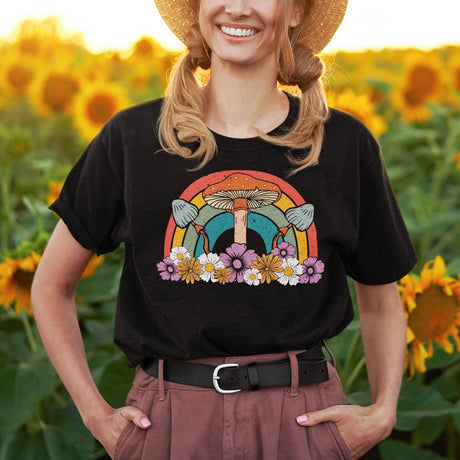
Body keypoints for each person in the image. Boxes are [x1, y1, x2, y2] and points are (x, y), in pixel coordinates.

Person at [31, 0, 418, 459]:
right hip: (170, 423)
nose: (237, 8)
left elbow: (380, 301)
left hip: (305, 424)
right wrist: (96, 416)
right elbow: (51, 288)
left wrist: (382, 411)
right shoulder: (131, 139)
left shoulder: (343, 144)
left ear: (295, 11)